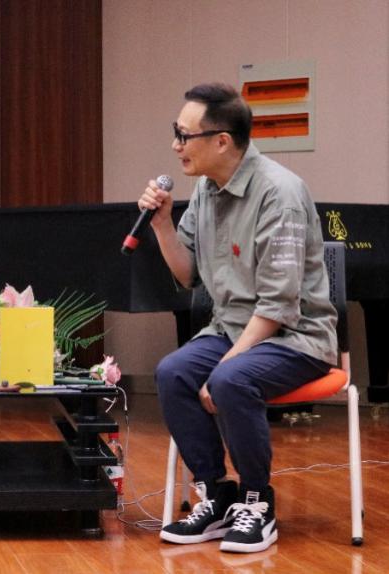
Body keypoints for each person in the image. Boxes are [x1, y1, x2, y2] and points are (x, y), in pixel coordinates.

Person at [140, 83, 337, 553]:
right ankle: (217, 494)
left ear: (222, 141)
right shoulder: (206, 191)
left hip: (297, 337)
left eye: (183, 135)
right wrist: (162, 225)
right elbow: (189, 275)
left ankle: (257, 501)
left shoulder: (280, 194)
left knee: (229, 380)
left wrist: (226, 363)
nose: (175, 145)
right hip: (232, 328)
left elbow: (279, 306)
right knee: (172, 373)